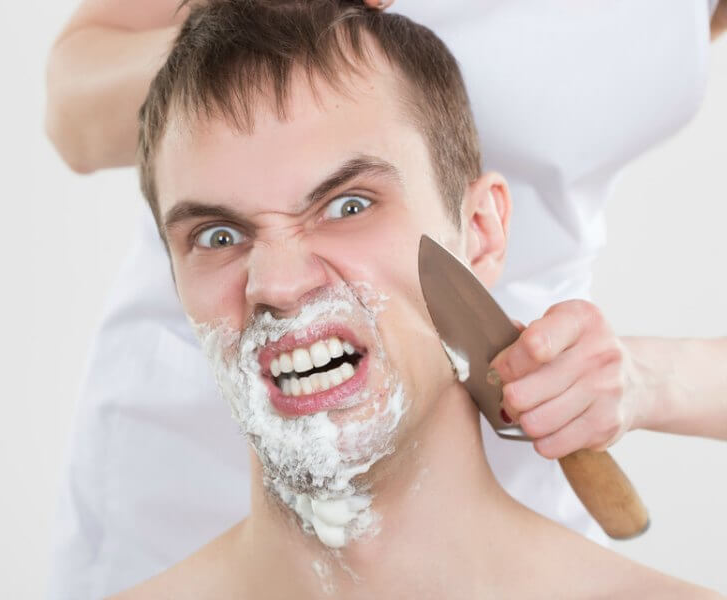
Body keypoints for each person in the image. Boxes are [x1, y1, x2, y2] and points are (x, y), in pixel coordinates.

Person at [44, 0, 727, 597]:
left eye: (349, 203)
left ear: (484, 228)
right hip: (207, 449)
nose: (282, 285)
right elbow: (72, 105)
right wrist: (255, 19)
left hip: (525, 420)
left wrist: (653, 380)